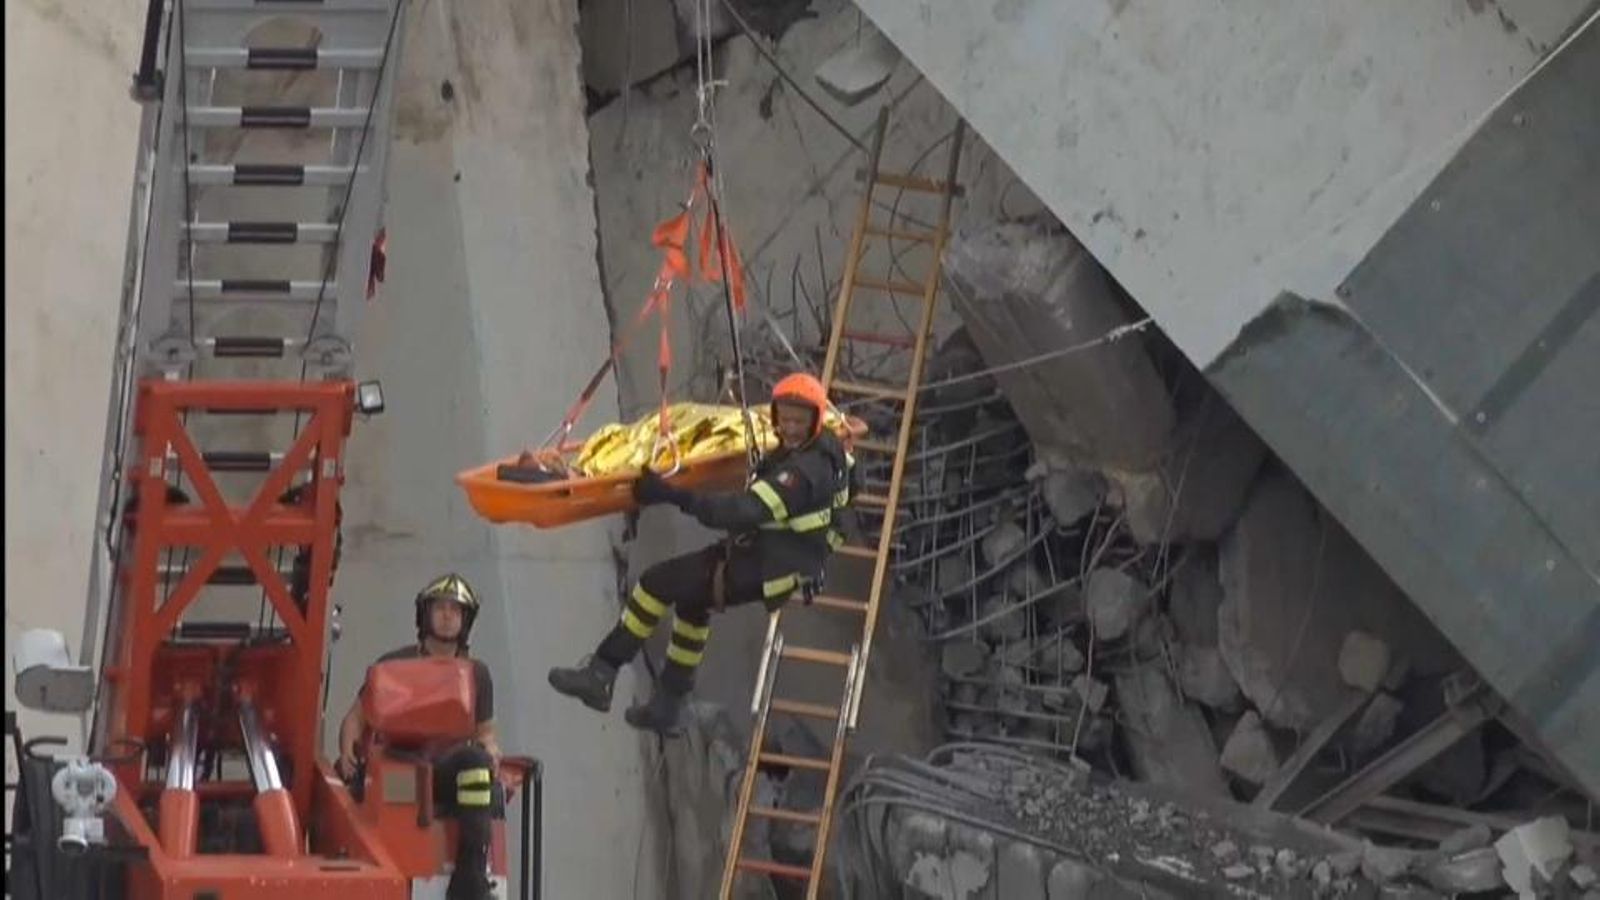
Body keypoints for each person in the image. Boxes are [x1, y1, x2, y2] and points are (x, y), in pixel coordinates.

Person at [548, 373, 853, 736]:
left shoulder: (802, 473)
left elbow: (737, 512)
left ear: (816, 420)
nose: (789, 428)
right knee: (693, 604)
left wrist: (669, 494)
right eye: (784, 419)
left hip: (764, 565)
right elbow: (842, 507)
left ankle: (602, 672)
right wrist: (815, 555)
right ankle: (669, 705)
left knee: (654, 584)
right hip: (774, 562)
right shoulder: (834, 455)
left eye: (799, 422)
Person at [336, 573, 502, 900]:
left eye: (456, 610)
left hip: (449, 769)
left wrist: (491, 750)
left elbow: (485, 731)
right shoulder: (393, 664)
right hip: (397, 763)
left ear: (466, 620)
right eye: (440, 607)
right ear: (424, 613)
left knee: (475, 761)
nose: (447, 615)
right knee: (397, 772)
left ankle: (470, 878)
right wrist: (346, 754)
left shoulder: (477, 673)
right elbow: (356, 716)